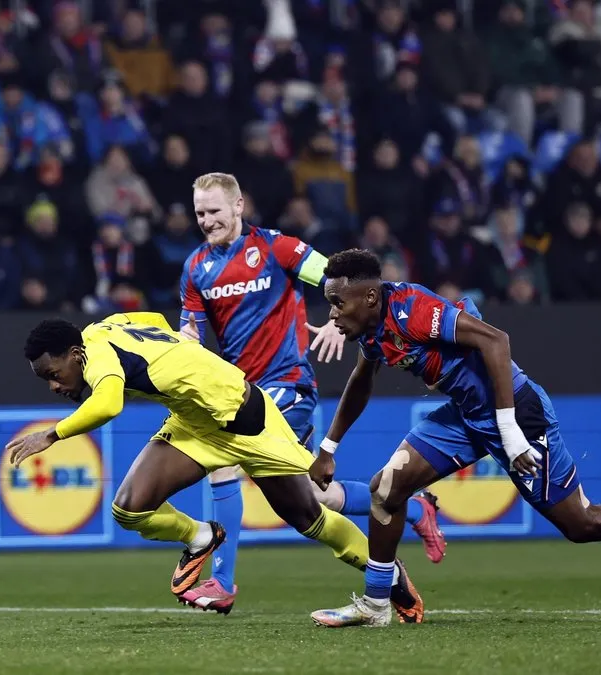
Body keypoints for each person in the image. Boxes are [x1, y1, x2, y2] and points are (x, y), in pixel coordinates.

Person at [307, 250, 601, 627]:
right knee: (387, 488)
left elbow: (497, 341)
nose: (331, 313)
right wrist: (328, 448)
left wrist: (511, 430)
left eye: (335, 302)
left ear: (368, 296)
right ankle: (377, 603)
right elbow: (362, 381)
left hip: (516, 411)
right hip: (465, 416)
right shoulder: (372, 329)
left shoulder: (411, 310)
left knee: (581, 524)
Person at [10, 312, 422, 618]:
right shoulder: (105, 327)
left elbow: (109, 402)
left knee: (308, 513)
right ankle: (202, 536)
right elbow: (152, 320)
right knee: (129, 507)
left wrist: (51, 434)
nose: (55, 386)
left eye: (54, 373)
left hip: (245, 417)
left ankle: (386, 573)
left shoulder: (98, 359)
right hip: (194, 421)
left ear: (75, 354)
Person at [176, 173, 444, 617]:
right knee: (315, 498)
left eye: (215, 211)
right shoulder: (196, 267)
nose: (207, 221)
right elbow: (191, 327)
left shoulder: (277, 248)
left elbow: (338, 280)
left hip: (287, 384)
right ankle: (412, 509)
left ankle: (222, 583)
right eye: (200, 213)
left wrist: (339, 323)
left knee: (222, 463)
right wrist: (183, 345)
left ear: (238, 205)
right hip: (238, 392)